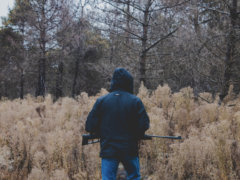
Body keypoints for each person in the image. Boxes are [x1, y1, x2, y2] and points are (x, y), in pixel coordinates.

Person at [85, 68, 150, 180]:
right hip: (130, 149)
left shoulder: (102, 101)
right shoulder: (135, 101)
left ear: (113, 82)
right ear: (129, 82)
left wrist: (101, 131)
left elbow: (89, 126)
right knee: (134, 177)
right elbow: (144, 125)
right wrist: (137, 134)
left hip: (108, 149)